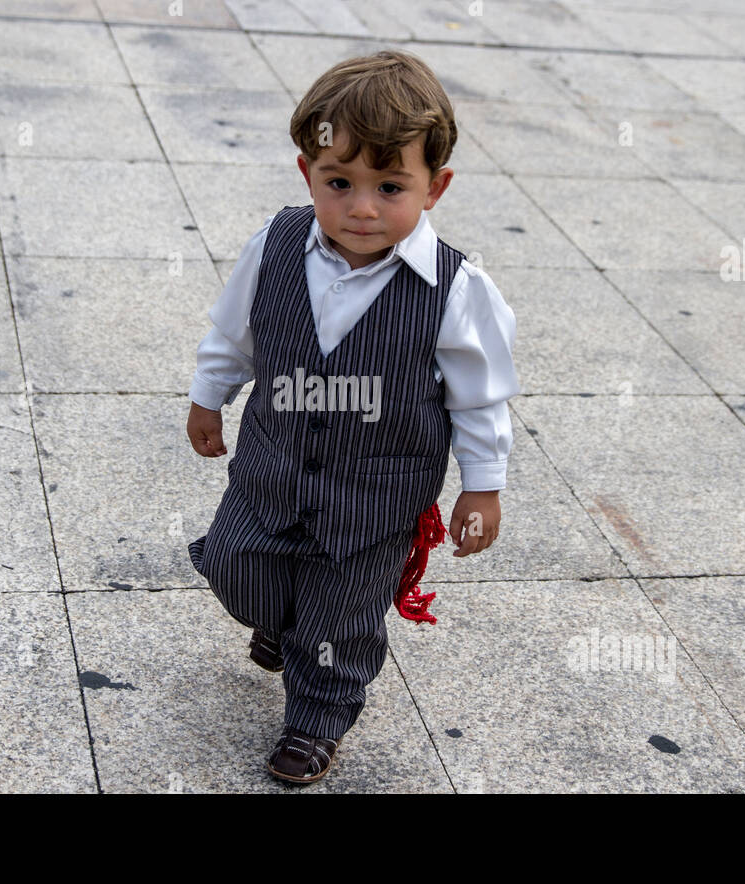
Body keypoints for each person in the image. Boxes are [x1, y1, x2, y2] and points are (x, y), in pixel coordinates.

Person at [185, 50, 521, 785]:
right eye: (340, 183)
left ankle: (315, 721)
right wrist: (208, 396)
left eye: (390, 186)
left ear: (435, 188)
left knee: (339, 620)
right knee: (235, 568)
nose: (362, 207)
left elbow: (481, 395)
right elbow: (233, 334)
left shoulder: (458, 290)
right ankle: (278, 618)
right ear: (307, 173)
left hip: (375, 499)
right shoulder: (275, 246)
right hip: (269, 475)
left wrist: (482, 484)